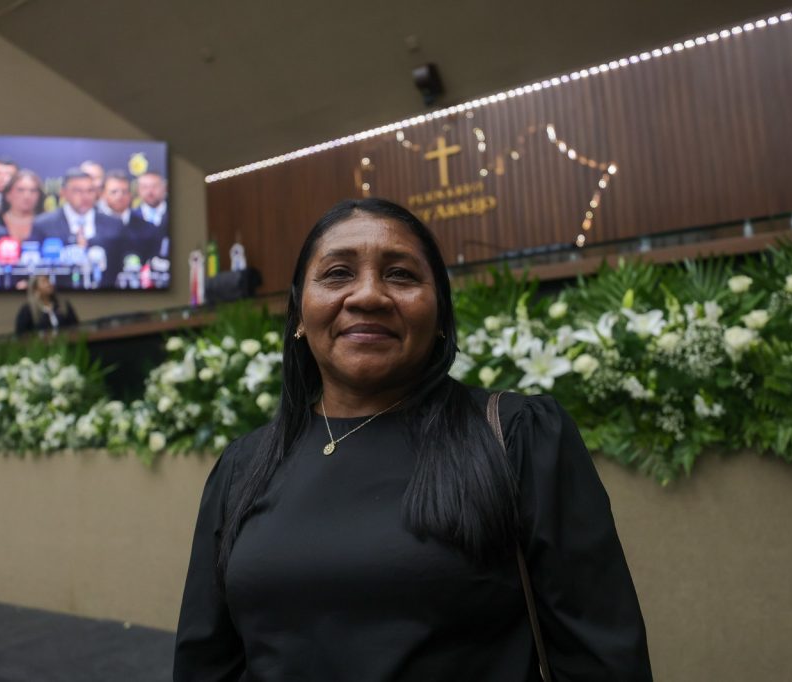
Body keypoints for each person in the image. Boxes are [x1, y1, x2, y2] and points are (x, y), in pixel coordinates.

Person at [173, 198, 652, 681]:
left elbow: (602, 661)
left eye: (400, 275)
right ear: (298, 312)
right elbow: (205, 665)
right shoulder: (245, 465)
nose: (368, 295)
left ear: (440, 313)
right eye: (337, 274)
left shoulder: (519, 437)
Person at [32, 167, 123, 288]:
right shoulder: (44, 224)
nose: (85, 196)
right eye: (77, 191)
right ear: (63, 193)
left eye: (90, 191)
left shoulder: (114, 225)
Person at [101, 169, 160, 264]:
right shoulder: (92, 226)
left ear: (131, 194)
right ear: (103, 194)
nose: (119, 196)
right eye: (114, 192)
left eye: (124, 191)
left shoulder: (149, 229)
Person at [14, 274, 78, 335]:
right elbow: (21, 334)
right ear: (35, 288)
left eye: (48, 281)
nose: (49, 284)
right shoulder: (27, 309)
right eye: (44, 282)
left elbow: (75, 327)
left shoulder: (63, 304)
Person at [0, 169, 45, 242]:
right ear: (8, 194)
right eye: (20, 190)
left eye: (33, 190)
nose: (27, 196)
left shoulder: (47, 223)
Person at [136, 171, 169, 259]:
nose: (150, 191)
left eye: (154, 186)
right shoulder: (130, 218)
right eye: (145, 187)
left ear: (165, 188)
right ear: (138, 190)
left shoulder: (176, 215)